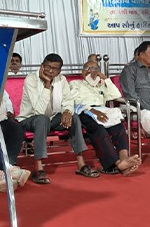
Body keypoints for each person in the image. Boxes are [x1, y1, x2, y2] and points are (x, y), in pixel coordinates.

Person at [17, 53, 98, 184]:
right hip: (30, 119)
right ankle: (38, 168)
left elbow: (68, 100)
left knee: (74, 117)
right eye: (47, 67)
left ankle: (81, 163)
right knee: (42, 119)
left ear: (59, 71)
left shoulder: (62, 80)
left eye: (54, 68)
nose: (50, 71)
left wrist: (67, 111)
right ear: (42, 66)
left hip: (52, 118)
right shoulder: (31, 79)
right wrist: (47, 85)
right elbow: (39, 110)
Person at [70, 60, 141, 175]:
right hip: (85, 111)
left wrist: (106, 79)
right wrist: (93, 111)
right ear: (82, 72)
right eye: (87, 68)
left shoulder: (101, 85)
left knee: (119, 127)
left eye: (94, 69)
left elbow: (116, 96)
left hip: (102, 111)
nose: (90, 71)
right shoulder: (75, 84)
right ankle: (119, 164)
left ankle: (124, 159)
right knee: (99, 130)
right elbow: (75, 102)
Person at [0, 90, 32, 192]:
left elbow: (5, 98)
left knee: (16, 130)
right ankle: (8, 168)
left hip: (1, 119)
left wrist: (9, 111)